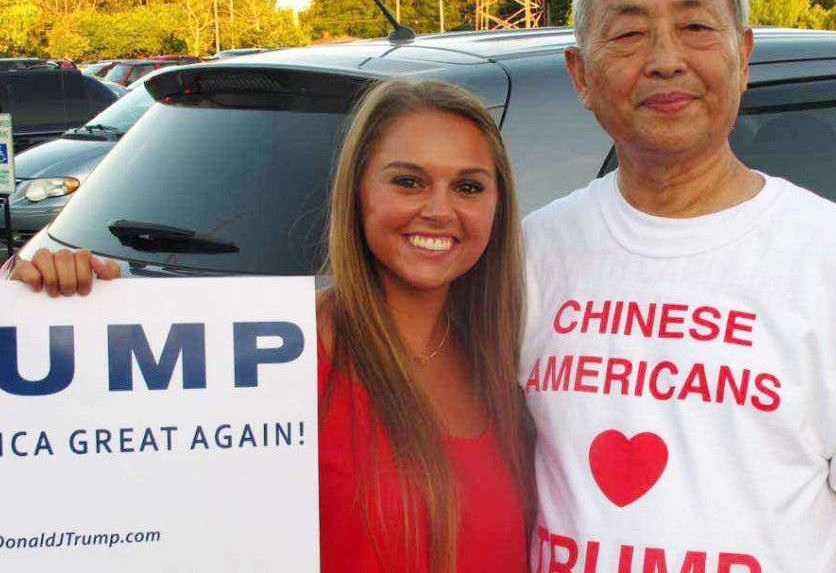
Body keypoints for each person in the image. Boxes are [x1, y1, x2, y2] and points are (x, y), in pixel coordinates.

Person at [519, 0, 836, 572]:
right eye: (629, 33)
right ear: (581, 74)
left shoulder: (825, 252)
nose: (666, 59)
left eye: (696, 28)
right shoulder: (536, 250)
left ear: (744, 57)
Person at [11, 78, 532, 573]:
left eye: (468, 186)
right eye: (408, 181)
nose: (440, 211)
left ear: (498, 204)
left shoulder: (515, 356)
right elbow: (106, 495)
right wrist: (52, 313)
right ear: (356, 192)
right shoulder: (265, 356)